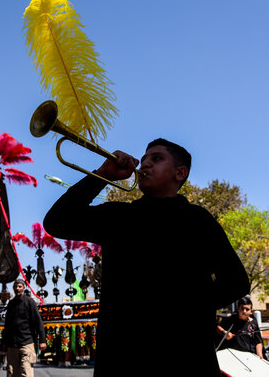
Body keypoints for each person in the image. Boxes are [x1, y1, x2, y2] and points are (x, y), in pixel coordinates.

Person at [43, 138, 250, 376]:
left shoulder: (198, 220)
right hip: (124, 358)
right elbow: (57, 221)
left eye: (157, 159)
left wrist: (184, 306)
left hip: (186, 357)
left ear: (180, 173)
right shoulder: (119, 217)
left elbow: (236, 281)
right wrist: (102, 175)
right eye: (143, 160)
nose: (144, 165)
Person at [2, 279, 47, 377]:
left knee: (26, 372)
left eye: (20, 286)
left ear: (23, 288)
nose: (17, 289)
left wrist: (43, 340)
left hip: (27, 343)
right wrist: (4, 342)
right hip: (13, 344)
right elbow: (7, 325)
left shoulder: (29, 302)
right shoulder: (11, 304)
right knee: (12, 373)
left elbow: (38, 322)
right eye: (16, 287)